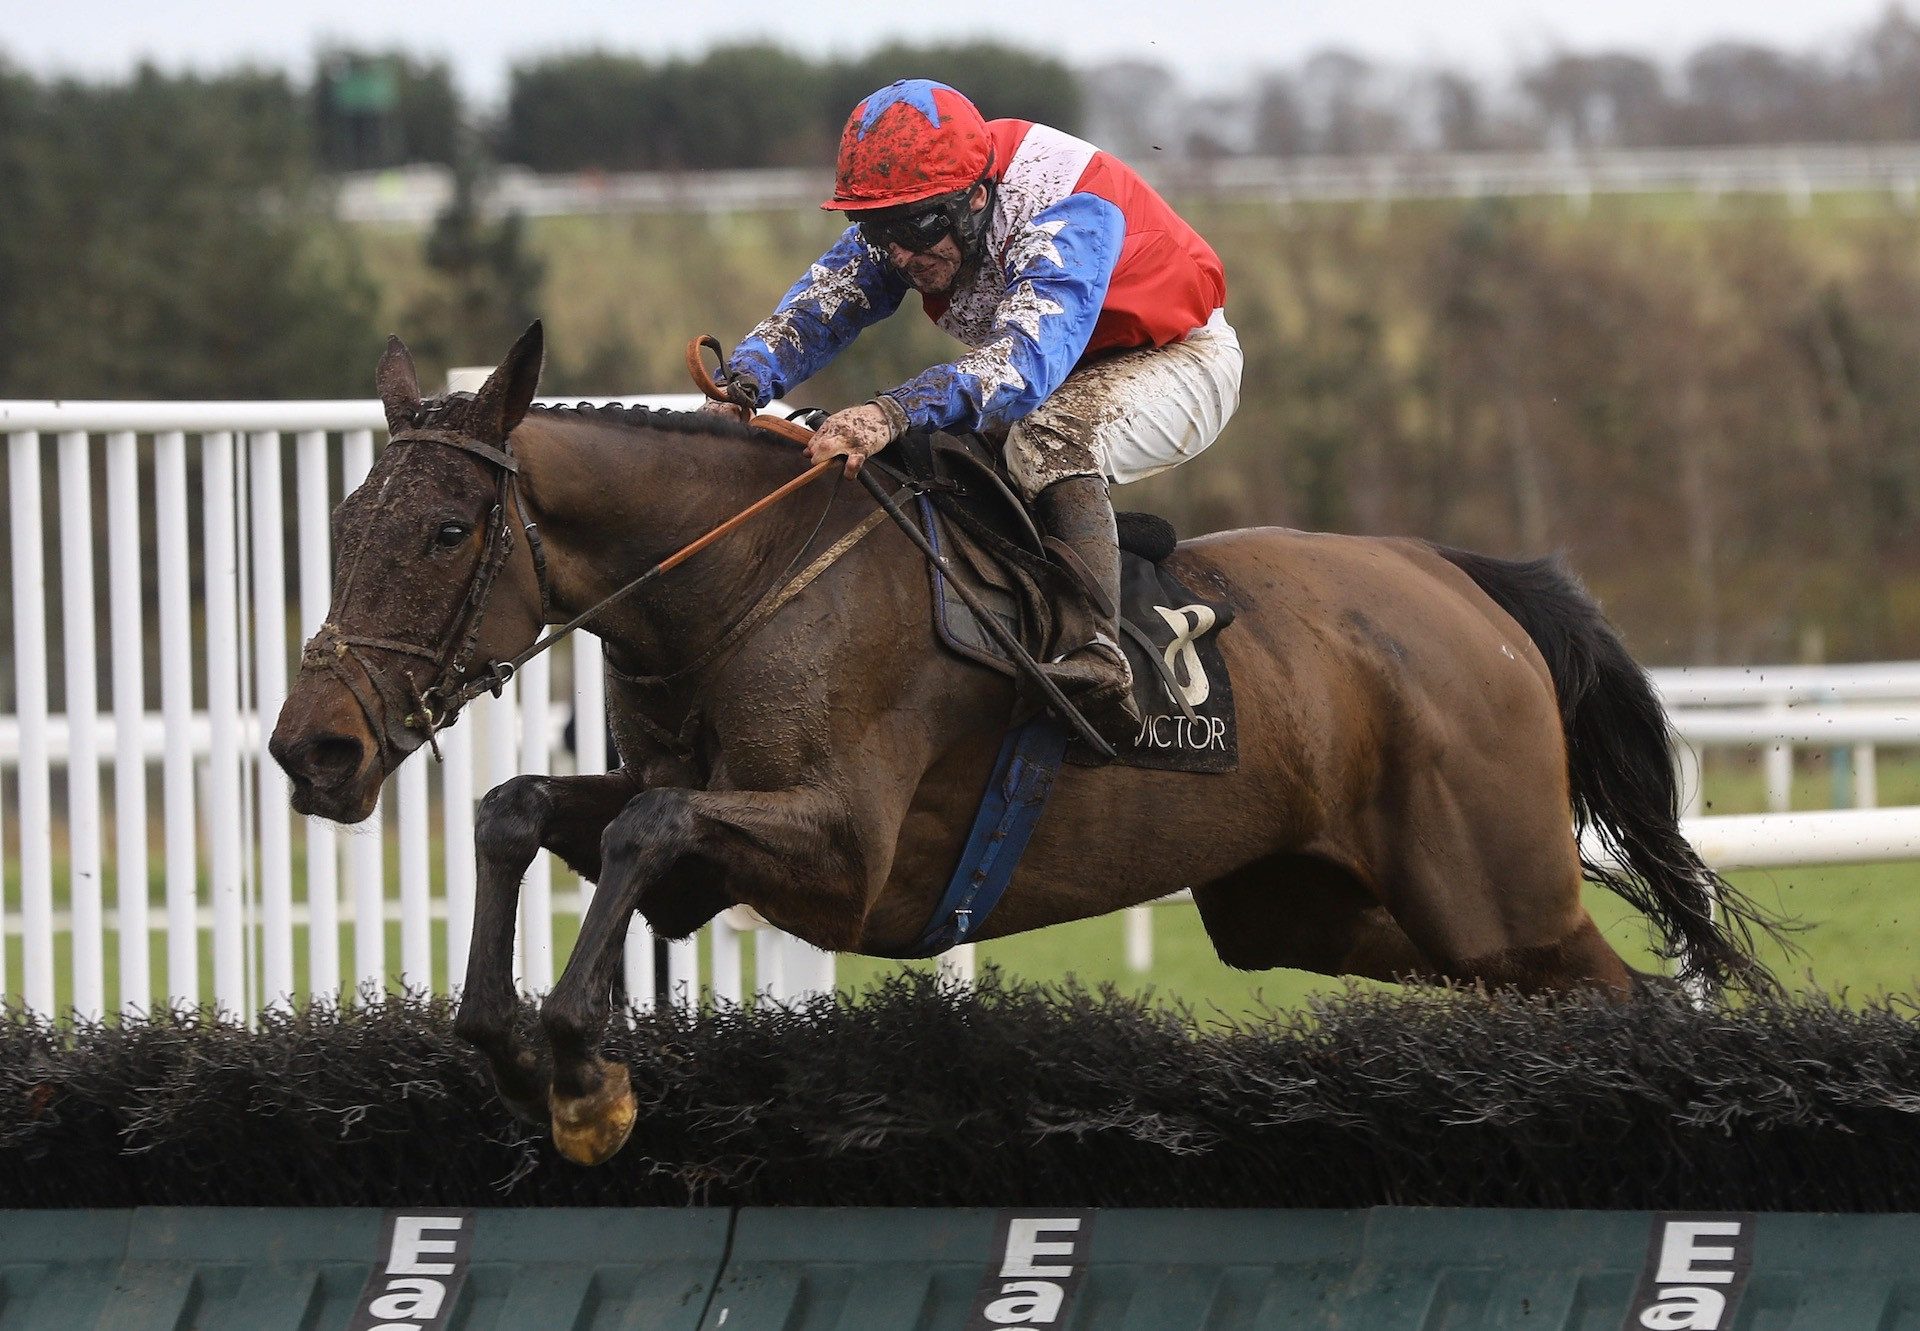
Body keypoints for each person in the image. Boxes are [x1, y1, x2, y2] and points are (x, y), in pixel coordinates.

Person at [707, 78, 1242, 740]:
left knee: (1046, 438)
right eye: (877, 230)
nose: (899, 253)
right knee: (940, 457)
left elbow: (1022, 366)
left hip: (1177, 356)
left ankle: (1097, 651)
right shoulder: (918, 204)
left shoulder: (1067, 208)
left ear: (977, 197)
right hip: (1069, 364)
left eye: (916, 229)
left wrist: (890, 411)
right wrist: (743, 383)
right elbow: (824, 306)